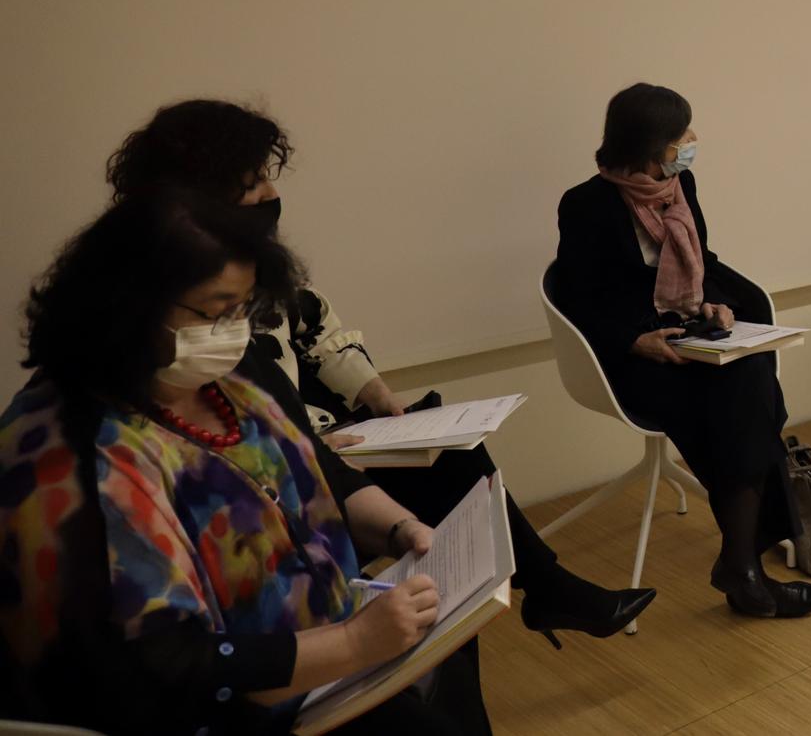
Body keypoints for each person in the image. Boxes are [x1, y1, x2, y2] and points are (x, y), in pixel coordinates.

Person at [103, 99, 654, 647]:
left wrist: (375, 395)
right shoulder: (140, 363)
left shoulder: (253, 271)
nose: (271, 195)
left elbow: (318, 331)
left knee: (450, 453)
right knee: (442, 493)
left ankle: (537, 587)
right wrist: (311, 450)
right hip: (279, 494)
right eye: (253, 182)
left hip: (325, 446)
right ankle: (546, 588)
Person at [0, 191, 489, 735]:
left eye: (243, 309)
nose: (234, 330)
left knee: (451, 660)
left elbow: (315, 480)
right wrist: (352, 644)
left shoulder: (220, 383)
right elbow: (160, 667)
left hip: (322, 663)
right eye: (216, 311)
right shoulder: (76, 455)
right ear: (127, 305)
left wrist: (401, 533)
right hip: (230, 708)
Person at [551, 85, 811, 618]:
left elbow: (706, 259)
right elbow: (577, 297)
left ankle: (741, 563)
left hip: (687, 333)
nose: (690, 144)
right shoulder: (586, 204)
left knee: (748, 378)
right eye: (680, 137)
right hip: (630, 353)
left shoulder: (681, 184)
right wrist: (635, 339)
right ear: (650, 145)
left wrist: (716, 305)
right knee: (745, 405)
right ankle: (744, 570)